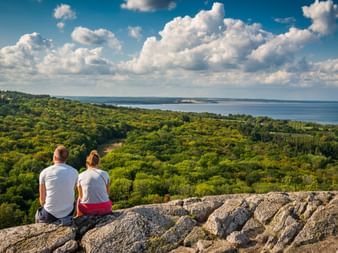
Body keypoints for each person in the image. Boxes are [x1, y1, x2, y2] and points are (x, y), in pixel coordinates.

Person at [36, 145, 78, 225]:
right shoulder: (75, 172)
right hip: (68, 212)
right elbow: (72, 191)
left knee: (38, 214)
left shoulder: (44, 172)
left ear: (54, 157)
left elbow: (42, 200)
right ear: (66, 158)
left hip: (50, 214)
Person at [76, 150, 112, 216]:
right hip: (105, 208)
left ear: (86, 164)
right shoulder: (105, 174)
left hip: (87, 209)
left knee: (78, 199)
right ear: (98, 163)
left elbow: (81, 196)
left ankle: (79, 216)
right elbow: (107, 193)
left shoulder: (80, 176)